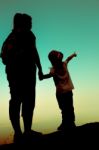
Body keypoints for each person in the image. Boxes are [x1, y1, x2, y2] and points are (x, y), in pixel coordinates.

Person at [0, 13, 43, 142]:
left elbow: (34, 52)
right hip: (20, 75)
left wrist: (39, 69)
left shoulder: (21, 37)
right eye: (29, 23)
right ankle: (22, 133)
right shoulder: (19, 37)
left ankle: (24, 132)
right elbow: (5, 58)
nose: (31, 25)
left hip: (23, 74)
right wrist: (39, 68)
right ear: (22, 23)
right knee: (21, 101)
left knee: (24, 101)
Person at [40, 50, 77, 131]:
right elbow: (68, 58)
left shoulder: (54, 69)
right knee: (69, 107)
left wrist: (42, 76)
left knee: (64, 108)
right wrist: (73, 55)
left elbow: (48, 76)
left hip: (60, 93)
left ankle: (67, 123)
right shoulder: (64, 64)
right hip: (67, 91)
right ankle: (70, 122)